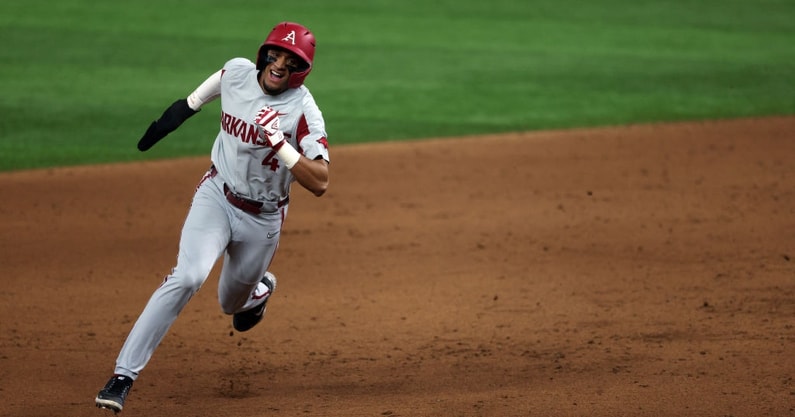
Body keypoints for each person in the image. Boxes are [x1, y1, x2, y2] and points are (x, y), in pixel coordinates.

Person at [94, 21, 330, 414]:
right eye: (275, 54)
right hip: (216, 197)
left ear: (301, 70)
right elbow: (190, 103)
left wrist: (280, 145)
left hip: (263, 220)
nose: (279, 65)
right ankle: (123, 376)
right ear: (263, 53)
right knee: (188, 276)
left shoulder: (302, 109)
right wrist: (152, 135)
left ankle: (257, 290)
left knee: (229, 304)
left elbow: (321, 181)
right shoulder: (236, 72)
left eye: (292, 61)